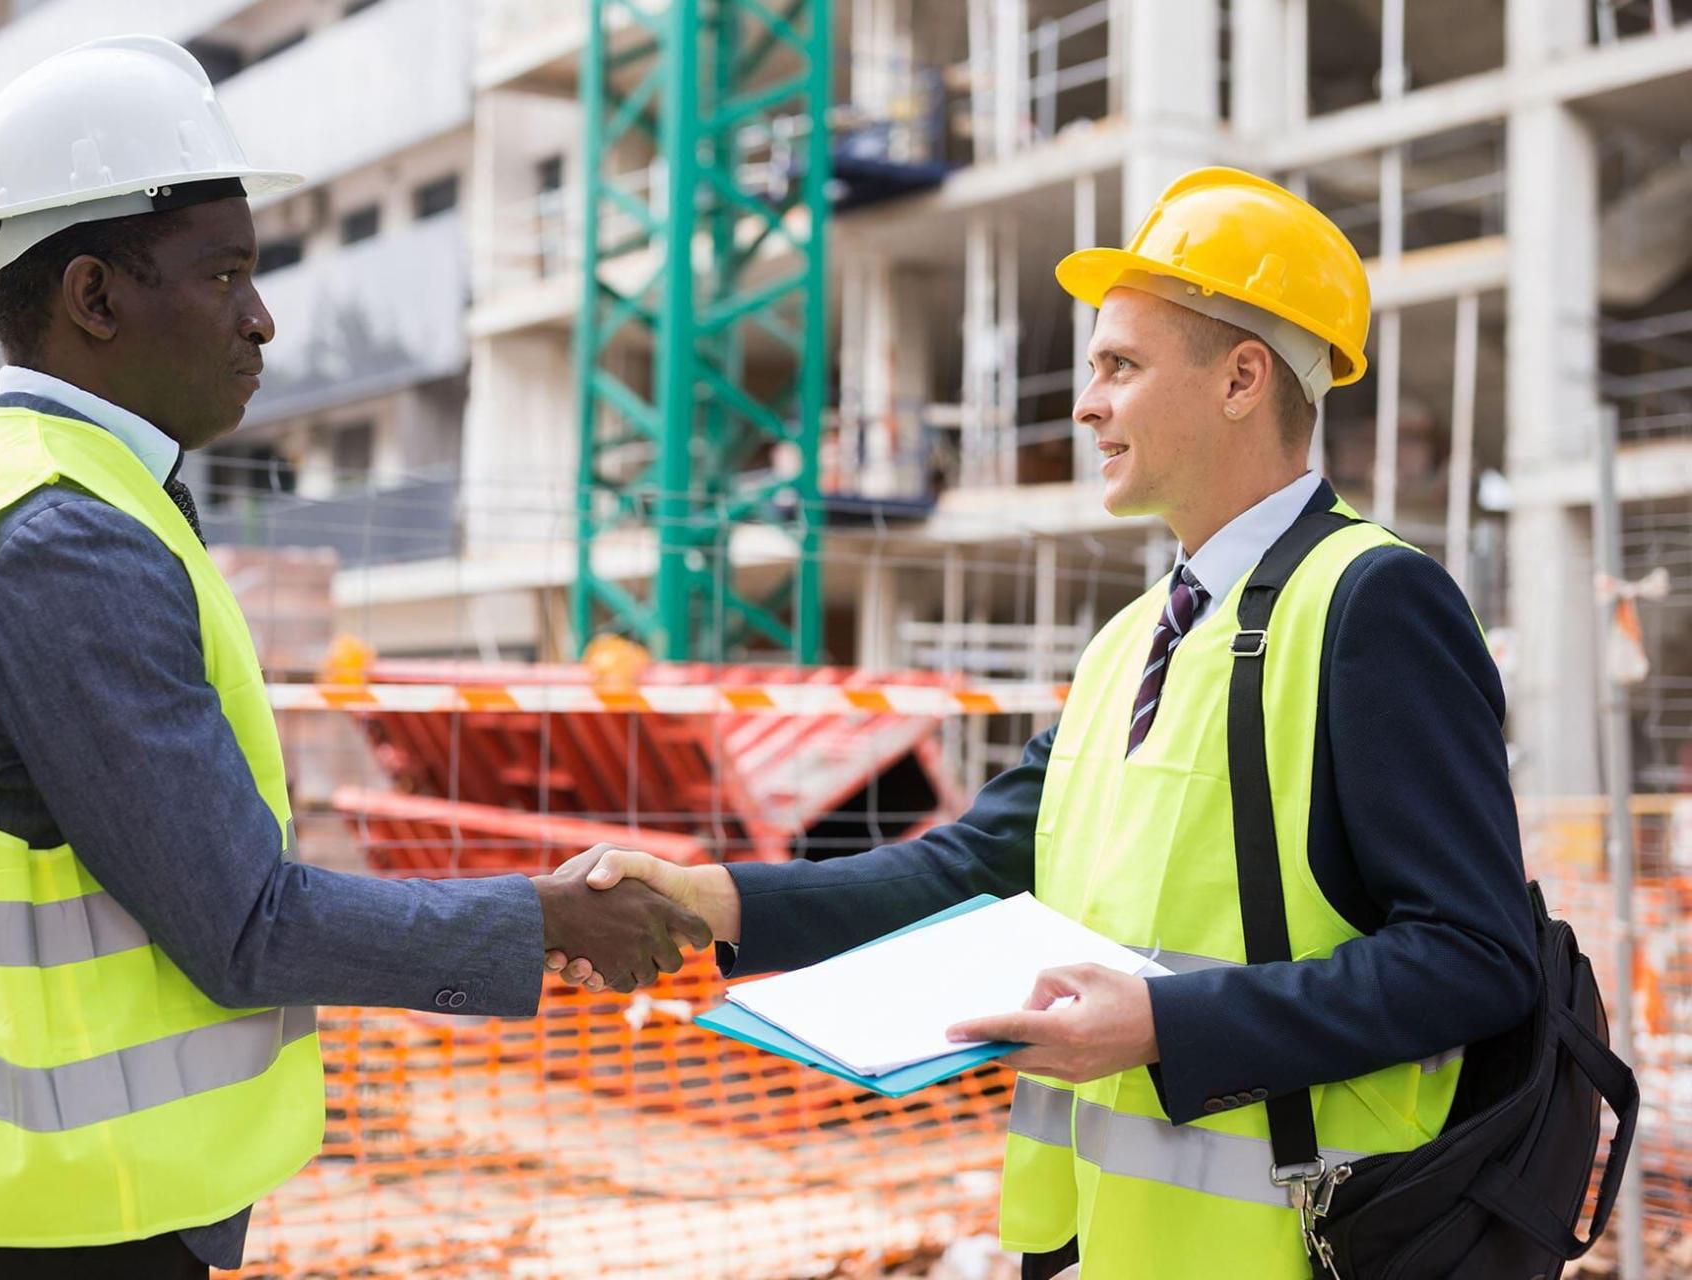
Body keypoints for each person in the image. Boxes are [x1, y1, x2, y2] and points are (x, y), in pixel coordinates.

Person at [559, 168, 1539, 1278]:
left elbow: (1474, 957)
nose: (1086, 405)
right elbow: (971, 865)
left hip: (1300, 1250)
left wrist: (1166, 1024)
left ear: (1241, 378)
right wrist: (708, 899)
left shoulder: (1375, 602)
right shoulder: (1132, 638)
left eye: (1120, 366)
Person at [0, 36, 705, 1280]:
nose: (262, 317)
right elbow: (242, 921)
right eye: (226, 273)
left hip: (63, 1205)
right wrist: (540, 917)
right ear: (94, 297)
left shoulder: (70, 497)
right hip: (40, 1226)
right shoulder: (62, 537)